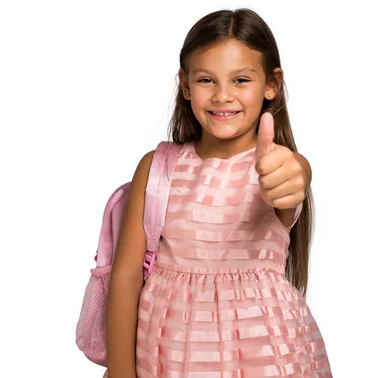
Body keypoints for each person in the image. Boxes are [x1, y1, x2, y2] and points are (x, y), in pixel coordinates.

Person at [105, 8, 332, 378]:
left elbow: (292, 180)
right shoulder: (158, 167)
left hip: (265, 356)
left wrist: (292, 176)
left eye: (241, 79)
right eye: (207, 80)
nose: (223, 95)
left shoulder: (278, 165)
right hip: (167, 356)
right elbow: (127, 276)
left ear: (271, 85)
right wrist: (120, 371)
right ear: (185, 84)